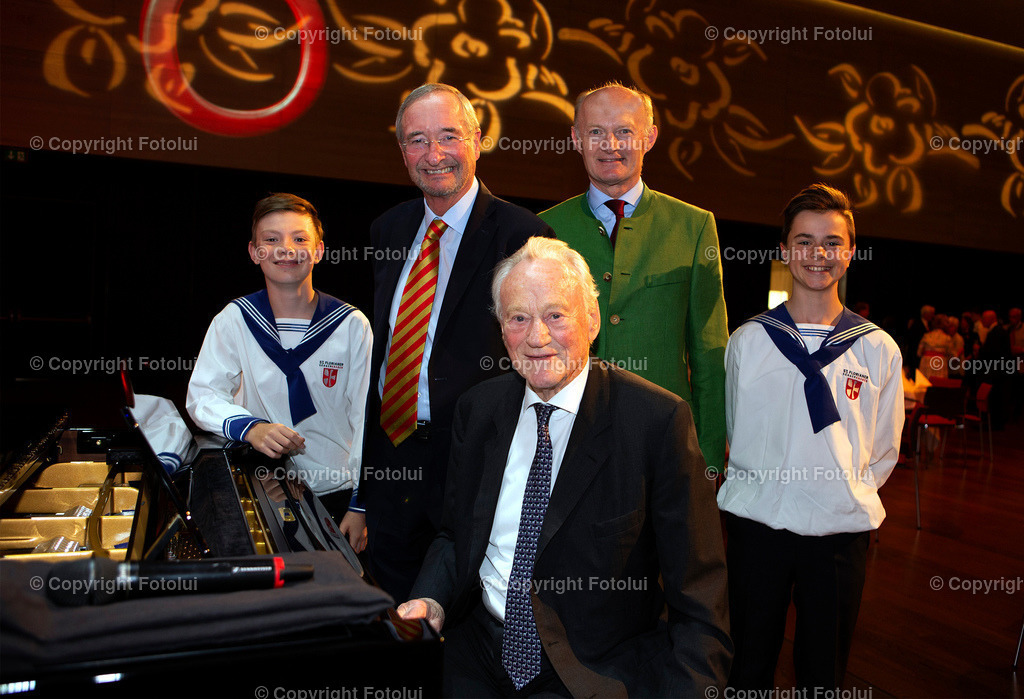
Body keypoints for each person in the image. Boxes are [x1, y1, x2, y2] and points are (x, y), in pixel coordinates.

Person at [397, 236, 730, 697]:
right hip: (473, 653)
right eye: (518, 318)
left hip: (592, 670)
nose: (537, 337)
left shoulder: (656, 422)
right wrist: (430, 598)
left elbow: (700, 601)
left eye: (555, 315)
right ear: (501, 328)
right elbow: (456, 535)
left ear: (591, 319)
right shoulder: (478, 410)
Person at [357, 83, 554, 602]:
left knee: (465, 616)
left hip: (476, 461)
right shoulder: (388, 228)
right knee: (397, 611)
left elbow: (542, 360)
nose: (435, 154)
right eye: (417, 140)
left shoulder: (526, 237)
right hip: (393, 457)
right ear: (402, 151)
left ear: (478, 140)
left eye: (449, 136)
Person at [718, 184, 904, 691]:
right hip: (759, 528)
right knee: (748, 665)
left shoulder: (878, 349)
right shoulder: (749, 340)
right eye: (804, 241)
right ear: (784, 250)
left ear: (849, 251)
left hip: (840, 532)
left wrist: (838, 487)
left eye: (831, 242)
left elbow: (884, 449)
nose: (817, 255)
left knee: (823, 673)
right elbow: (736, 431)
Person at [539, 82, 728, 473]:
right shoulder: (544, 229)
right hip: (565, 444)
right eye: (595, 132)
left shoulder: (693, 228)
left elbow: (710, 354)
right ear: (576, 139)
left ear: (650, 137)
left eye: (624, 131)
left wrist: (708, 461)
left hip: (665, 446)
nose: (610, 144)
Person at [187, 193, 371, 547]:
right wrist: (251, 428)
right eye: (271, 240)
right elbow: (203, 396)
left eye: (299, 239)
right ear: (255, 252)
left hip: (336, 495)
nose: (286, 249)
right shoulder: (235, 320)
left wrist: (361, 505)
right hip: (264, 492)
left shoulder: (350, 325)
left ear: (318, 250)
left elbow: (366, 419)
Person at [917, 313, 954, 379]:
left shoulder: (926, 336)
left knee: (925, 384)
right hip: (940, 363)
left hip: (926, 363)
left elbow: (919, 353)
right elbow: (952, 354)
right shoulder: (947, 338)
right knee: (939, 385)